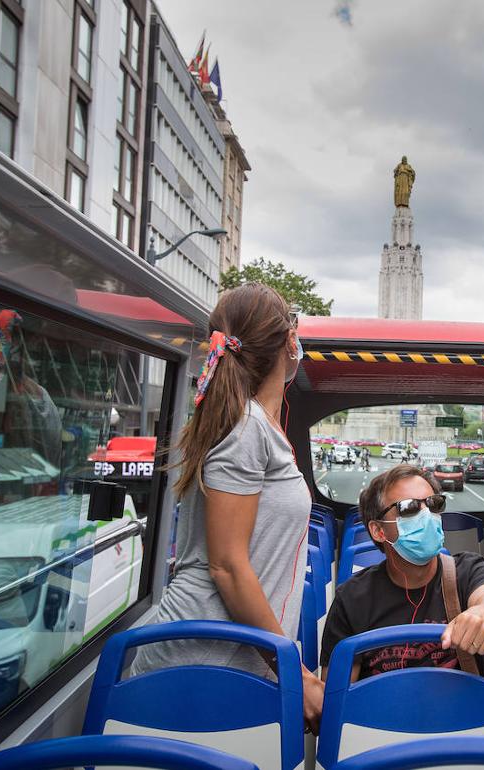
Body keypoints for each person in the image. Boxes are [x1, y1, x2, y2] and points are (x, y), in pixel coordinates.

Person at [131, 284, 322, 729]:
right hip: (200, 659)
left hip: (228, 657)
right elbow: (228, 566)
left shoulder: (256, 426)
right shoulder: (246, 429)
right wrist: (295, 673)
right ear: (289, 342)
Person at [320, 464, 484, 681]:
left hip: (462, 712)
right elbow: (336, 695)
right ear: (379, 530)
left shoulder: (468, 570)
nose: (427, 515)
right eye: (409, 508)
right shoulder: (352, 599)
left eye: (433, 504)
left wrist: (482, 615)